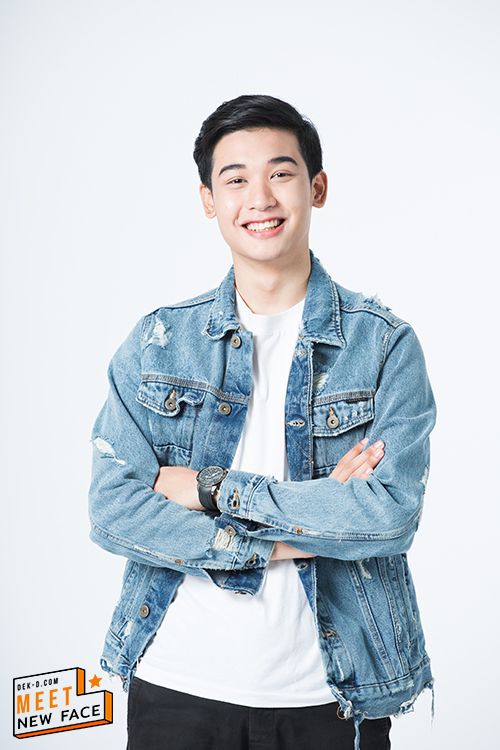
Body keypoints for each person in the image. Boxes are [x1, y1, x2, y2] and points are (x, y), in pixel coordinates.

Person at [88, 94, 437, 750]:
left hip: (331, 697)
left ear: (317, 187)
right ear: (208, 200)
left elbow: (388, 516)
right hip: (175, 687)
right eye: (236, 179)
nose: (260, 198)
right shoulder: (159, 343)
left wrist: (212, 489)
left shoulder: (383, 346)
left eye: (280, 173)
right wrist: (294, 535)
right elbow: (113, 509)